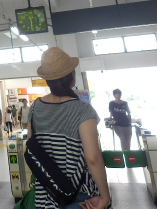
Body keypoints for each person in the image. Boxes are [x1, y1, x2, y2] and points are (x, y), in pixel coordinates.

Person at [28, 46, 111, 209]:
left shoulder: (35, 107)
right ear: (72, 77)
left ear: (48, 80)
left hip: (46, 193)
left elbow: (32, 146)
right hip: (80, 192)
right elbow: (93, 158)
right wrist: (105, 196)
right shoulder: (82, 109)